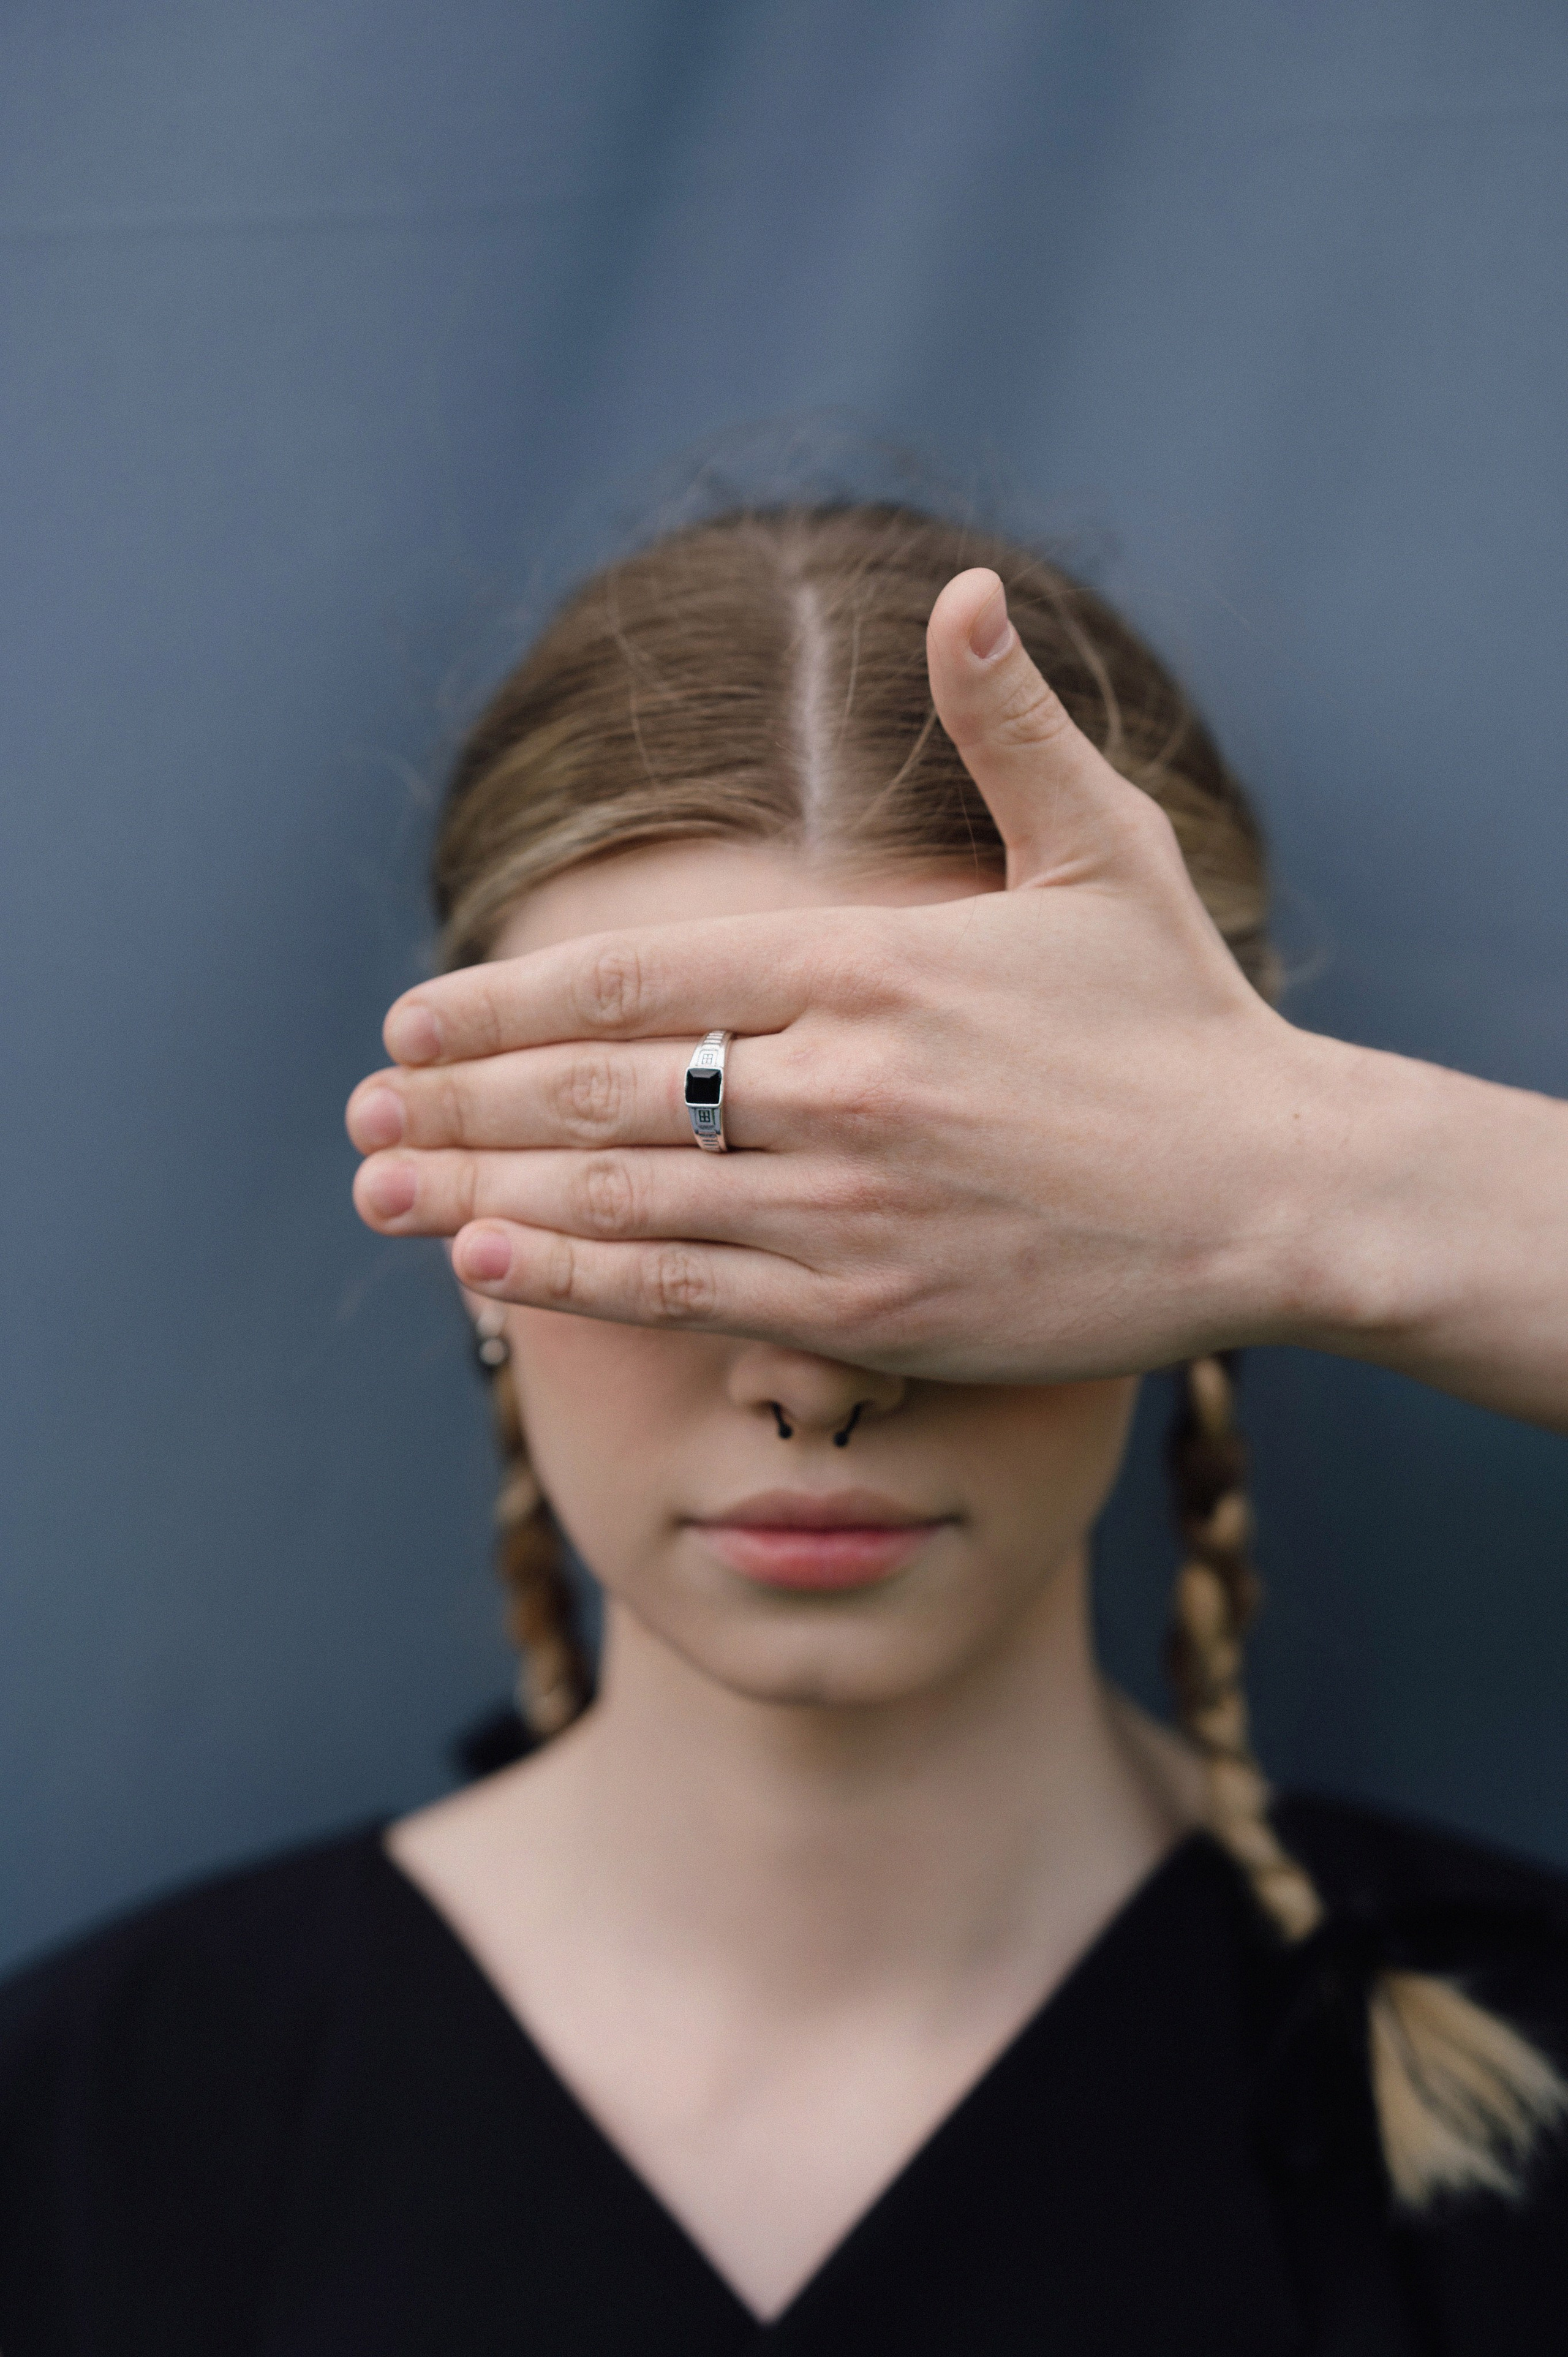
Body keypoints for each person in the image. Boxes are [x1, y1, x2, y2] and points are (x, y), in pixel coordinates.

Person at [1, 506, 1564, 2355]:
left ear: (1194, 1226)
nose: (814, 1378)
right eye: (672, 1184)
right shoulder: (93, 2142)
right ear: (459, 1226)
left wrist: (1342, 1197)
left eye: (946, 1194)